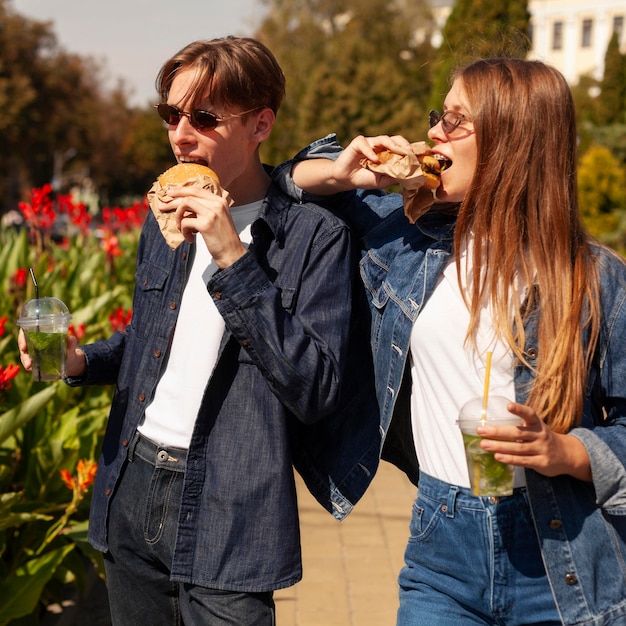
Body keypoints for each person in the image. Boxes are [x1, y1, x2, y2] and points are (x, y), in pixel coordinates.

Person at [18, 36, 380, 626]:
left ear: (261, 124)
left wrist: (234, 257)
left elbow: (315, 389)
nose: (181, 135)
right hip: (130, 483)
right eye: (171, 114)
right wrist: (80, 361)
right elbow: (147, 345)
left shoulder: (314, 238)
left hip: (230, 508)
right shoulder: (166, 217)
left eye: (205, 118)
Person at [272, 57, 626, 625]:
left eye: (456, 121)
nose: (434, 131)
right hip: (442, 544)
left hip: (561, 556)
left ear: (513, 143)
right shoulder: (407, 241)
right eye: (441, 113)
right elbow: (286, 186)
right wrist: (350, 174)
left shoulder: (594, 279)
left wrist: (565, 452)